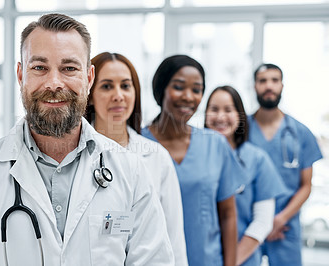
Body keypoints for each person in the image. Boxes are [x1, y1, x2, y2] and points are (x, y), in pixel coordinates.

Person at [0, 13, 175, 266]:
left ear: (89, 77)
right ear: (20, 75)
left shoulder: (131, 172)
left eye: (69, 68)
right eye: (39, 67)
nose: (54, 83)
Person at [142, 55, 246, 266]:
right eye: (179, 87)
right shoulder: (136, 144)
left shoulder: (215, 145)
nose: (189, 97)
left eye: (197, 90)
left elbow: (228, 215)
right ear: (161, 89)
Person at [85, 52, 188, 265]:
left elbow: (174, 239)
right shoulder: (73, 155)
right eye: (106, 86)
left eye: (125, 86)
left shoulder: (156, 157)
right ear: (89, 94)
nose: (118, 95)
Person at [248, 63, 323, 265]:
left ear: (282, 85)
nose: (269, 86)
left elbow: (306, 185)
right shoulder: (240, 131)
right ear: (254, 86)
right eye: (263, 81)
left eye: (274, 80)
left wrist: (278, 220)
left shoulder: (301, 132)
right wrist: (261, 224)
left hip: (285, 226)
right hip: (247, 224)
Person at [204, 85, 286, 266]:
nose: (220, 117)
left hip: (242, 260)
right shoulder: (195, 156)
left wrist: (230, 262)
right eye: (214, 109)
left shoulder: (256, 159)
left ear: (240, 116)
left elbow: (262, 222)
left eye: (228, 110)